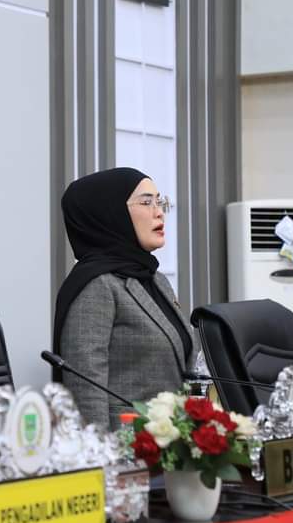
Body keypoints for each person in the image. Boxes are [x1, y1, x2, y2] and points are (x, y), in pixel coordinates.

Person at [52, 167, 196, 430]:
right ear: (110, 213)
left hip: (170, 440)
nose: (159, 212)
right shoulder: (97, 285)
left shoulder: (155, 279)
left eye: (159, 202)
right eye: (146, 202)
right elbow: (85, 392)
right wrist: (101, 453)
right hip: (124, 445)